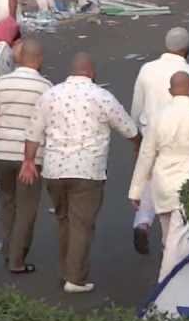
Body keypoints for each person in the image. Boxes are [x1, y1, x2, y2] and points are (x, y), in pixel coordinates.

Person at [20, 53, 139, 294]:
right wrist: (139, 145)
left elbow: (33, 132)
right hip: (87, 171)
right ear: (91, 72)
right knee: (82, 225)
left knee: (64, 220)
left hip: (54, 170)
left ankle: (67, 270)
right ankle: (75, 278)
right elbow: (128, 128)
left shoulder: (50, 95)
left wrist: (29, 161)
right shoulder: (101, 96)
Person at [128, 72, 189, 281]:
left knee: (169, 236)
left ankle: (173, 278)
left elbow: (146, 155)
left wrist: (136, 190)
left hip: (162, 181)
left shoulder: (157, 117)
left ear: (171, 91)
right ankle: (170, 281)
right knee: (181, 236)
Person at [128, 27, 189, 256]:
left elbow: (137, 106)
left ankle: (142, 222)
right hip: (182, 136)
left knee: (150, 177)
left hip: (150, 131)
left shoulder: (147, 69)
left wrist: (136, 137)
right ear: (187, 48)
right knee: (178, 185)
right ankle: (173, 240)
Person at [0, 38, 50, 275]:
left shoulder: (3, 83)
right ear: (39, 59)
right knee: (27, 209)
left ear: (20, 58)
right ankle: (17, 260)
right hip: (31, 158)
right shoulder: (46, 87)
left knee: (7, 204)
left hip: (3, 154)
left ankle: (8, 250)